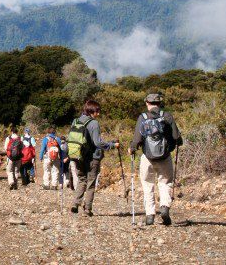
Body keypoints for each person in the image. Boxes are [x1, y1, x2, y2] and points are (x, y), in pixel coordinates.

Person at [129, 93, 183, 226]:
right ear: (159, 103)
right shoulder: (167, 116)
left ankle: (150, 215)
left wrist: (132, 148)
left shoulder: (143, 117)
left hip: (147, 157)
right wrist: (177, 143)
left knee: (148, 184)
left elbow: (137, 138)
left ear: (147, 103)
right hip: (165, 157)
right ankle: (164, 206)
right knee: (165, 182)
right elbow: (176, 137)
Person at [68, 99, 119, 216]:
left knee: (81, 180)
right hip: (92, 158)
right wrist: (111, 145)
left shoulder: (76, 121)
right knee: (91, 183)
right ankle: (87, 209)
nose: (98, 114)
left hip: (78, 156)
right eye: (97, 111)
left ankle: (75, 203)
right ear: (92, 111)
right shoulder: (94, 123)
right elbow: (97, 143)